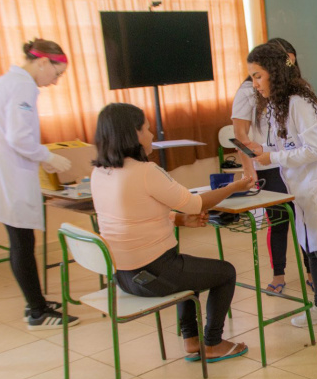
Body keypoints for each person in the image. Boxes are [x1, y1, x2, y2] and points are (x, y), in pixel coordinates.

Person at [90, 103, 255, 362]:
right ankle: (213, 342)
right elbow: (196, 203)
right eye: (146, 128)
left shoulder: (100, 173)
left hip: (122, 276)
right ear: (132, 134)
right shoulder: (146, 172)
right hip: (153, 276)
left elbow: (132, 214)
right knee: (224, 272)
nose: (152, 135)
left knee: (188, 269)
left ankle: (191, 341)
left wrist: (177, 220)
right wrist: (235, 186)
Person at [244, 43, 317, 327]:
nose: (254, 83)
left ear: (274, 72)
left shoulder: (298, 102)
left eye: (258, 75)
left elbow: (313, 150)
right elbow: (285, 145)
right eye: (252, 76)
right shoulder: (279, 104)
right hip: (304, 191)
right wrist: (261, 151)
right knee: (311, 247)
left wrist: (271, 154)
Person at [0, 39, 79, 330]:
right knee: (21, 241)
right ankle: (37, 310)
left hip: (0, 167)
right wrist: (48, 157)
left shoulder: (12, 81)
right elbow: (18, 137)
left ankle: (37, 301)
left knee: (21, 240)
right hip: (4, 171)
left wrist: (41, 156)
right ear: (43, 62)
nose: (55, 82)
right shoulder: (23, 85)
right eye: (57, 74)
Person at [231, 38, 312, 295]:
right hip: (267, 167)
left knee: (303, 218)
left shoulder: (292, 92)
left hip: (292, 163)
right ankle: (279, 273)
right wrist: (249, 171)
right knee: (278, 222)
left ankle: (311, 271)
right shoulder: (248, 91)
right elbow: (240, 133)